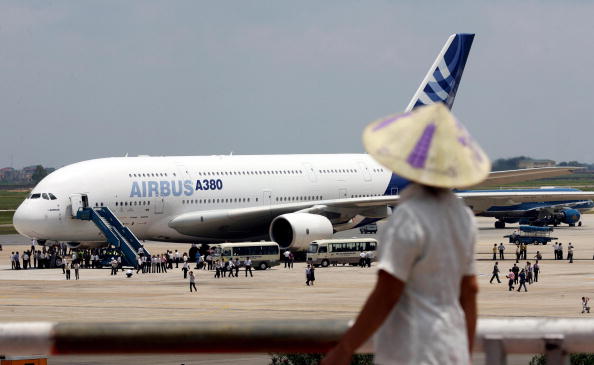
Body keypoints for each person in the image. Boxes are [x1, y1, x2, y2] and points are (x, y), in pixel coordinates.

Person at [322, 103, 489, 365]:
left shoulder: (409, 217)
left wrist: (345, 348)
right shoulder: (462, 216)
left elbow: (387, 293)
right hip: (451, 348)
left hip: (413, 349)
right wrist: (464, 352)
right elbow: (469, 291)